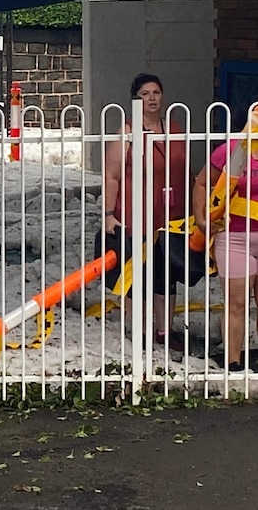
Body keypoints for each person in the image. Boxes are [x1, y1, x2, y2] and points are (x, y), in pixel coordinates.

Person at [97, 73, 190, 352]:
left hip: (170, 215)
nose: (151, 98)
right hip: (135, 215)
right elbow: (111, 176)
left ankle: (165, 331)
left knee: (166, 275)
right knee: (137, 274)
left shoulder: (173, 127)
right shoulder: (126, 133)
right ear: (135, 98)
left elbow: (183, 169)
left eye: (156, 93)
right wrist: (108, 214)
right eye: (145, 94)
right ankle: (137, 328)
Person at [193, 109, 258, 371]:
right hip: (233, 237)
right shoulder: (231, 149)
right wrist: (200, 219)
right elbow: (201, 183)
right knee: (237, 302)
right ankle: (233, 365)